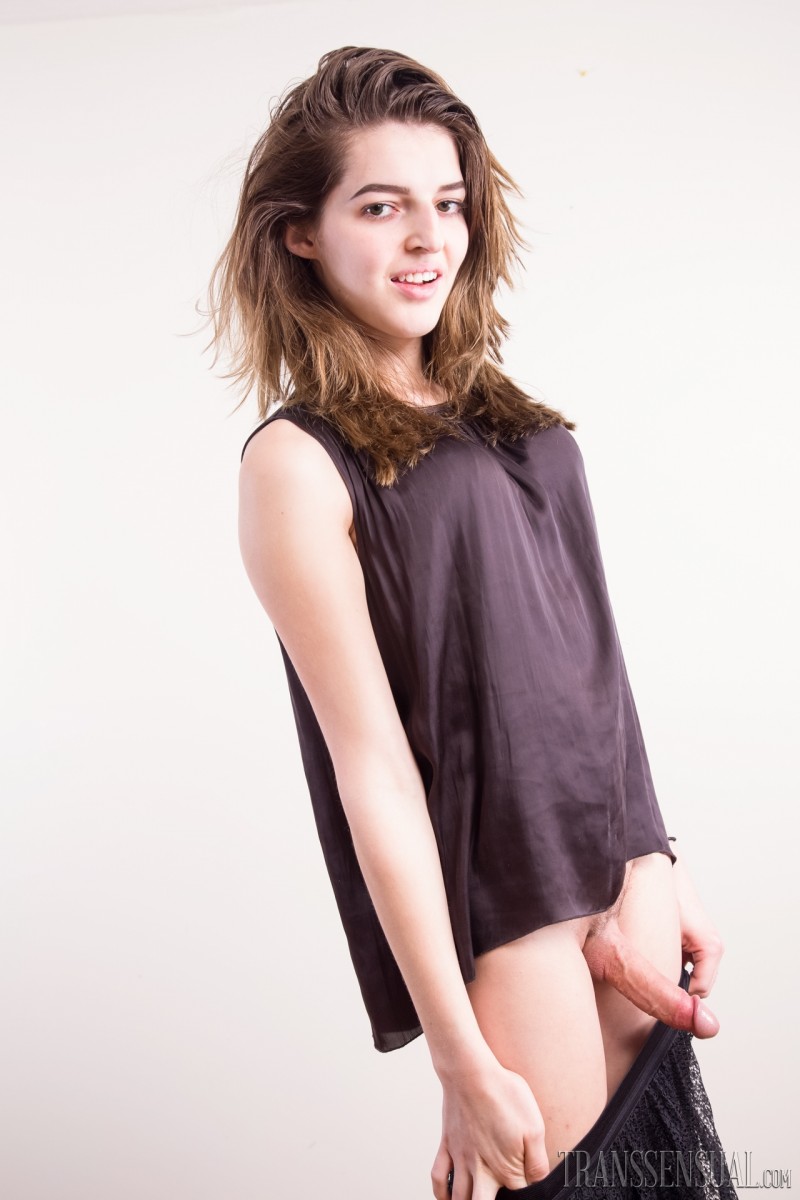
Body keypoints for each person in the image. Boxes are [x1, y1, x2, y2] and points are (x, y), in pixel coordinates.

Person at [206, 46, 737, 1199]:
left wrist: (662, 856)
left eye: (446, 203)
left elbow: (592, 659)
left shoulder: (504, 412)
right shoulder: (297, 460)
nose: (425, 239)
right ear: (298, 233)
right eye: (379, 206)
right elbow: (370, 770)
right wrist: (455, 1052)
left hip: (627, 874)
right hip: (510, 906)